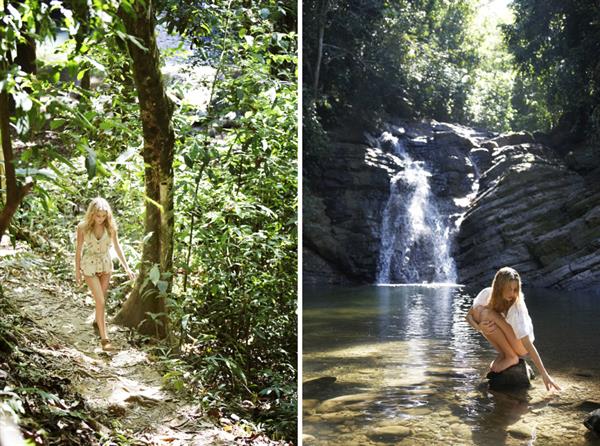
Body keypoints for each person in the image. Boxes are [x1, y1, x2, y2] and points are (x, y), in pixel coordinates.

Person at [466, 266, 561, 391]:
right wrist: (479, 327)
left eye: (515, 289)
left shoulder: (517, 308)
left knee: (487, 314)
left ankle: (511, 357)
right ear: (499, 287)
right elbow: (468, 316)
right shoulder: (486, 294)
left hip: (521, 345)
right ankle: (504, 353)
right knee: (479, 312)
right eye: (509, 289)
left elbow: (528, 344)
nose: (512, 293)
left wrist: (544, 374)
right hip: (510, 339)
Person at [75, 197, 135, 351]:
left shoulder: (111, 228)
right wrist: (77, 271)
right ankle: (104, 339)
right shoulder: (82, 227)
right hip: (89, 266)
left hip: (106, 265)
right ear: (91, 214)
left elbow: (117, 246)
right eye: (97, 215)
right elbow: (79, 249)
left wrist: (126, 267)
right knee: (101, 301)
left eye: (103, 216)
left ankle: (97, 320)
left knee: (101, 299)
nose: (100, 219)